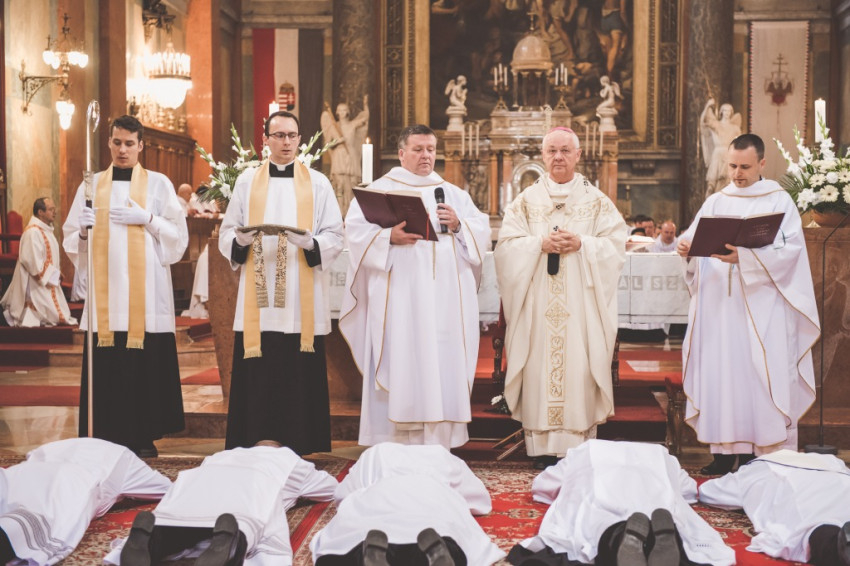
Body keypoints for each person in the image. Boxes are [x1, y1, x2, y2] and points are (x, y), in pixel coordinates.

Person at [339, 124, 491, 449]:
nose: (426, 156)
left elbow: (481, 233)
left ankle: (438, 443)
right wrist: (387, 237)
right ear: (401, 153)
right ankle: (393, 445)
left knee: (441, 360)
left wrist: (459, 225)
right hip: (401, 300)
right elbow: (354, 233)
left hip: (444, 303)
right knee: (402, 355)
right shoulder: (379, 191)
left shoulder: (453, 194)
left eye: (431, 149)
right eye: (418, 149)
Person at [677, 133, 820, 475]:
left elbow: (791, 252)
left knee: (758, 375)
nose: (736, 174)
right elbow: (694, 238)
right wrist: (685, 249)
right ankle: (723, 453)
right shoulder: (716, 201)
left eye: (744, 167)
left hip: (761, 308)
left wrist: (745, 258)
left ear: (762, 164)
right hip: (718, 308)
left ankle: (761, 452)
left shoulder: (779, 201)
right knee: (721, 374)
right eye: (732, 166)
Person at [494, 126, 627, 468]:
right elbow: (505, 248)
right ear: (542, 155)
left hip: (580, 306)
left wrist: (583, 244)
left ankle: (576, 447)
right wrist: (538, 244)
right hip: (538, 305)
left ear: (578, 155)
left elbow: (616, 246)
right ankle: (540, 446)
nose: (558, 157)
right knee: (539, 367)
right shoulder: (526, 202)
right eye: (552, 150)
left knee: (578, 368)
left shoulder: (597, 201)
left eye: (565, 150)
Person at [218, 110, 344, 453]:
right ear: (266, 140)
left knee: (296, 371)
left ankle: (300, 440)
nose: (286, 142)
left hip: (301, 295)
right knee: (260, 370)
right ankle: (257, 438)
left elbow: (336, 234)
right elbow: (227, 231)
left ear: (300, 140)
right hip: (258, 297)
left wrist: (313, 243)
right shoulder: (247, 182)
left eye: (291, 136)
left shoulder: (318, 183)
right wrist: (239, 240)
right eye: (279, 135)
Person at [63, 114, 188, 457]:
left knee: (141, 367)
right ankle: (104, 434)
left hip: (145, 293)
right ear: (109, 143)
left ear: (141, 146)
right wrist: (82, 230)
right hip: (107, 294)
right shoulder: (90, 185)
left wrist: (149, 219)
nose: (122, 150)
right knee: (109, 367)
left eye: (129, 144)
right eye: (117, 142)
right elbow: (72, 238)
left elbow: (178, 238)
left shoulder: (158, 184)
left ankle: (143, 435)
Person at [508, 439, 734, 566]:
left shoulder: (585, 450)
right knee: (667, 509)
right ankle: (662, 537)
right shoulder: (661, 454)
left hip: (600, 490)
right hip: (655, 491)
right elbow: (689, 489)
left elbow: (543, 485)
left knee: (595, 524)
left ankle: (619, 539)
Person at [106, 443, 338, 566]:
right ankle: (226, 546)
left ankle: (150, 542)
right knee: (246, 523)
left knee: (175, 521)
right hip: (247, 491)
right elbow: (331, 489)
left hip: (196, 489)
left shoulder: (222, 455)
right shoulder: (289, 460)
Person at [310, 443, 506, 565]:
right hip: (432, 494)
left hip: (380, 494)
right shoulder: (440, 453)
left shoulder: (376, 452)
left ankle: (366, 555)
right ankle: (440, 551)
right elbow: (480, 501)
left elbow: (342, 495)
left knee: (348, 542)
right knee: (449, 534)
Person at [0, 438, 171, 566]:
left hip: (24, 473)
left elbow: (32, 456)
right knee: (35, 519)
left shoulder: (60, 444)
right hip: (70, 481)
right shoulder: (123, 457)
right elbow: (166, 489)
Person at [700, 450, 850, 565]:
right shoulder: (829, 461)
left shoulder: (756, 469)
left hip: (805, 501)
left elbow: (708, 492)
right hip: (840, 487)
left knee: (810, 524)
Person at [1, 197, 77, 327]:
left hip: (46, 280)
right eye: (51, 209)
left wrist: (56, 273)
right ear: (40, 212)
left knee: (55, 315)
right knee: (44, 316)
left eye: (54, 209)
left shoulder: (46, 230)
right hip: (34, 283)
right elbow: (32, 263)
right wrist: (53, 274)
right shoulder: (32, 232)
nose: (54, 212)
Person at [320, 96, 370, 215]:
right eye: (340, 110)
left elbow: (365, 118)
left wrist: (365, 104)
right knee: (339, 184)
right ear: (337, 112)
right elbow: (327, 144)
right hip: (339, 155)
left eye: (344, 110)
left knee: (351, 185)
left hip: (350, 155)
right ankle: (339, 212)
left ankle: (350, 211)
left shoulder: (352, 125)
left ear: (347, 112)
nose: (342, 112)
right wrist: (338, 141)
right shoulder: (333, 126)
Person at [700, 99, 743, 197]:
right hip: (718, 154)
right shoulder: (716, 124)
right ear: (721, 112)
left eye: (729, 111)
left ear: (731, 113)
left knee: (727, 182)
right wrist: (707, 106)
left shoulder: (735, 128)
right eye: (725, 110)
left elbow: (740, 144)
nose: (727, 113)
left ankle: (723, 201)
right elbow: (703, 122)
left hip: (729, 154)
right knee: (712, 184)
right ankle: (711, 202)